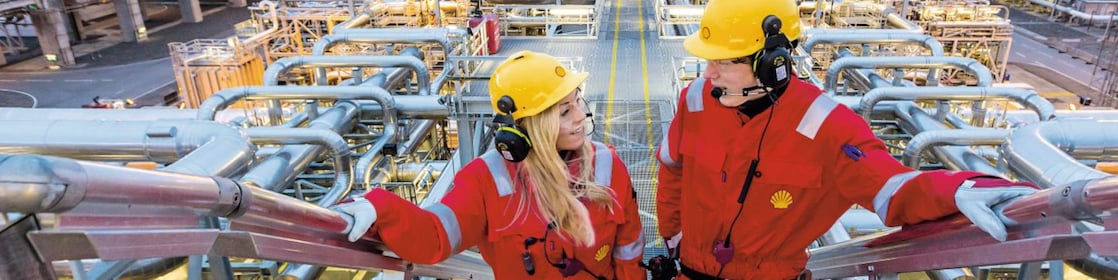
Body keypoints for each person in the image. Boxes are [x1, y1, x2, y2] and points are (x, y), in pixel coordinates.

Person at [653, 0, 1040, 279]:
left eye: (724, 62)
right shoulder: (695, 100)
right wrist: (673, 237)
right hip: (690, 270)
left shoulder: (827, 126)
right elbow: (672, 169)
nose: (709, 73)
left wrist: (960, 189)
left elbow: (893, 189)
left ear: (773, 63)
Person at [333, 50, 647, 279]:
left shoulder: (607, 165)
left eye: (577, 101)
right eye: (564, 111)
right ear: (528, 126)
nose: (580, 117)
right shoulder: (486, 180)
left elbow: (629, 248)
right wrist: (380, 208)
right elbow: (436, 235)